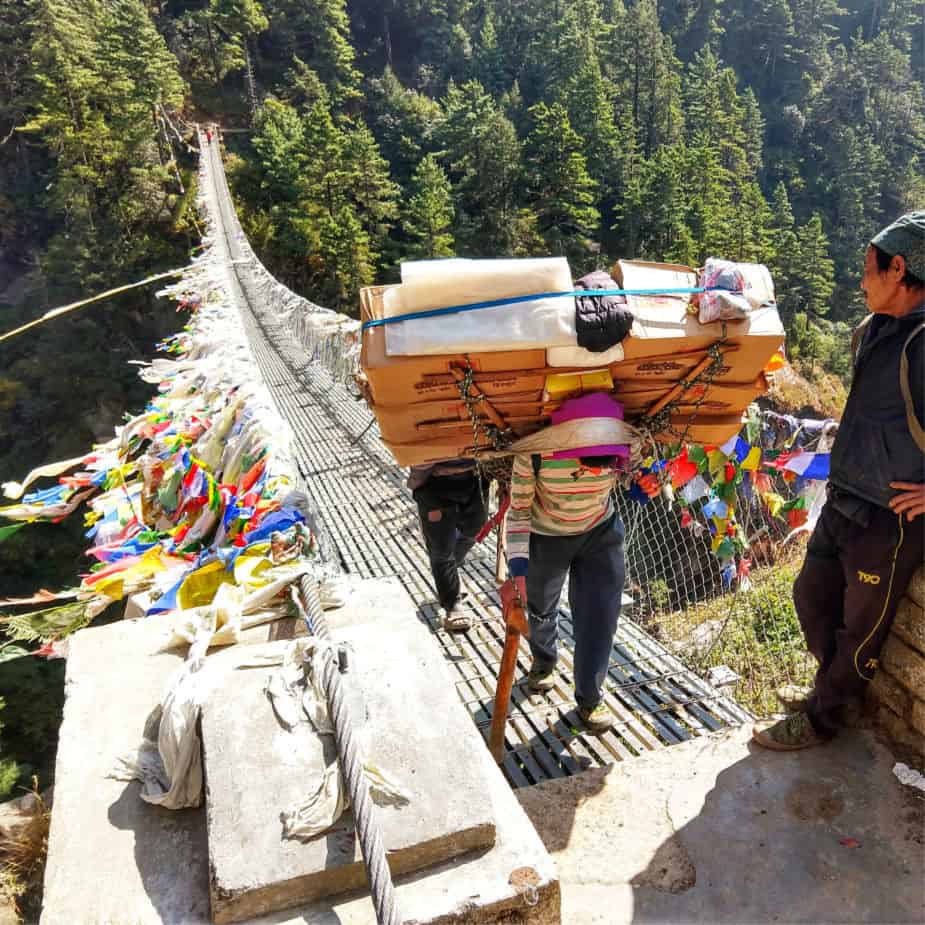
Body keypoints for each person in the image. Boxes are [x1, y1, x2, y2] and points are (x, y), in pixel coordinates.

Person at [754, 211, 925, 751]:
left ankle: (824, 716)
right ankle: (830, 690)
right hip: (847, 492)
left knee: (862, 629)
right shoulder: (879, 329)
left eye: (867, 268)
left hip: (890, 515)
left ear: (898, 269)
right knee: (811, 595)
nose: (861, 280)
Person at [504, 392, 628, 733]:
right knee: (541, 609)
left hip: (600, 533)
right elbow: (518, 512)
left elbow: (637, 475)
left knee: (601, 616)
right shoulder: (534, 454)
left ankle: (590, 698)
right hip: (546, 536)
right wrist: (518, 570)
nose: (596, 471)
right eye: (588, 463)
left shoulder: (624, 443)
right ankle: (544, 660)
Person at [409, 460, 487, 632]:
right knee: (441, 549)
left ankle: (451, 570)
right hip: (433, 482)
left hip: (475, 476)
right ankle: (452, 603)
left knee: (475, 529)